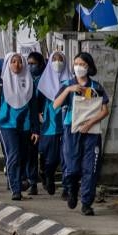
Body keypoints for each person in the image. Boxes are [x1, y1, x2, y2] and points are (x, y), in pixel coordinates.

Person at [54, 52, 111, 215]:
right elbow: (55, 105)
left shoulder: (96, 87)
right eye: (76, 64)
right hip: (71, 131)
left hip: (91, 132)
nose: (78, 67)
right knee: (71, 168)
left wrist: (90, 123)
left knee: (90, 169)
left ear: (89, 67)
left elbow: (104, 110)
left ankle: (86, 203)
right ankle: (72, 189)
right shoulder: (67, 84)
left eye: (82, 64)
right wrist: (69, 90)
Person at [0, 52, 35, 201]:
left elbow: (33, 107)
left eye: (19, 62)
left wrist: (35, 129)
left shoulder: (29, 82)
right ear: (8, 64)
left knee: (23, 156)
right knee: (13, 154)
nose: (16, 65)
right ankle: (16, 189)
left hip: (24, 125)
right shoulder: (1, 83)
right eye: (13, 62)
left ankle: (20, 180)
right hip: (6, 124)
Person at [36, 50, 69, 195]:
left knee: (67, 157)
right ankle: (48, 175)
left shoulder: (70, 81)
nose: (57, 62)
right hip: (49, 125)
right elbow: (37, 103)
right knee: (51, 159)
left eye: (60, 59)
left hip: (66, 123)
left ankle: (67, 188)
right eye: (54, 59)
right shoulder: (43, 83)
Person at [22, 51, 46, 194]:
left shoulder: (45, 80)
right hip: (25, 121)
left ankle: (35, 180)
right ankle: (28, 181)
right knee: (27, 153)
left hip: (42, 121)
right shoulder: (24, 79)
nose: (31, 67)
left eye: (33, 64)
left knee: (37, 152)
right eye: (29, 64)